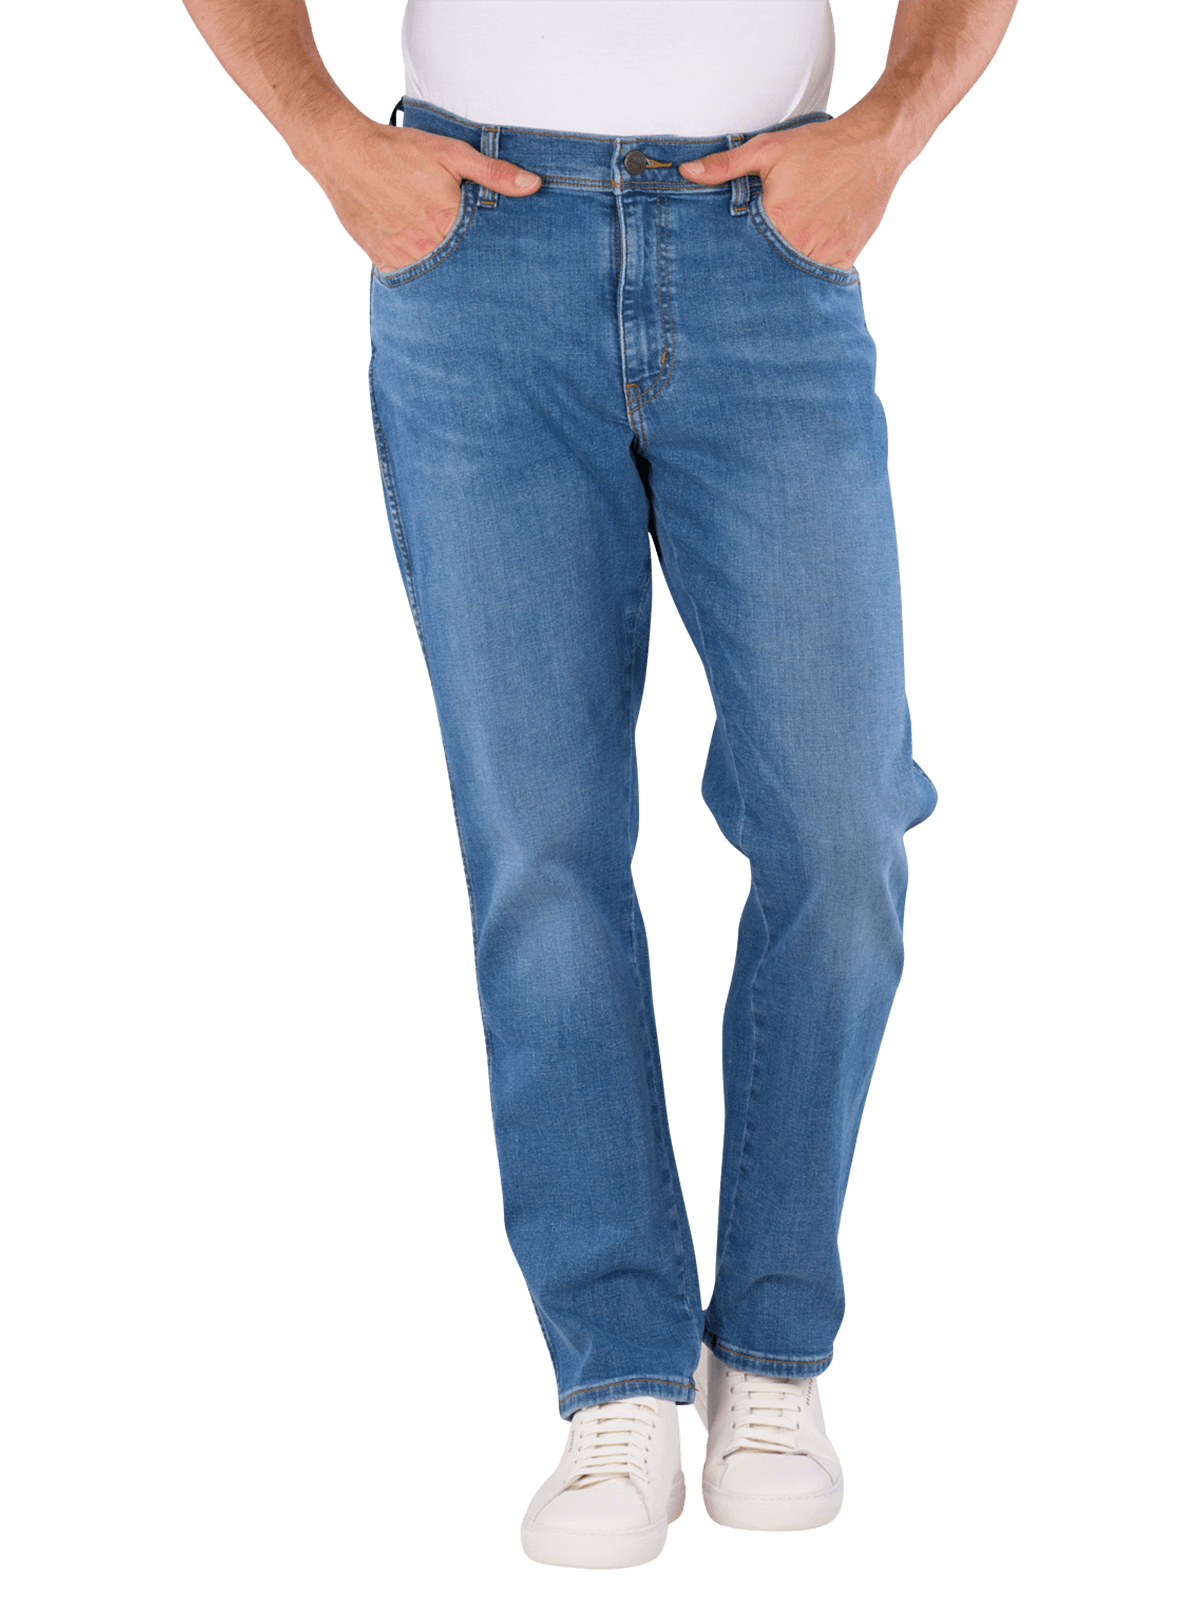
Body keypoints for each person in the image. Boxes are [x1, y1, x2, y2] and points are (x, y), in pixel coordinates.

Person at [181, 0, 1018, 1571]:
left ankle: (772, 1350)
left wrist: (889, 134)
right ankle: (618, 1377)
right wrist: (327, 139)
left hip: (767, 235)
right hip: (477, 249)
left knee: (844, 826)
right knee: (541, 843)